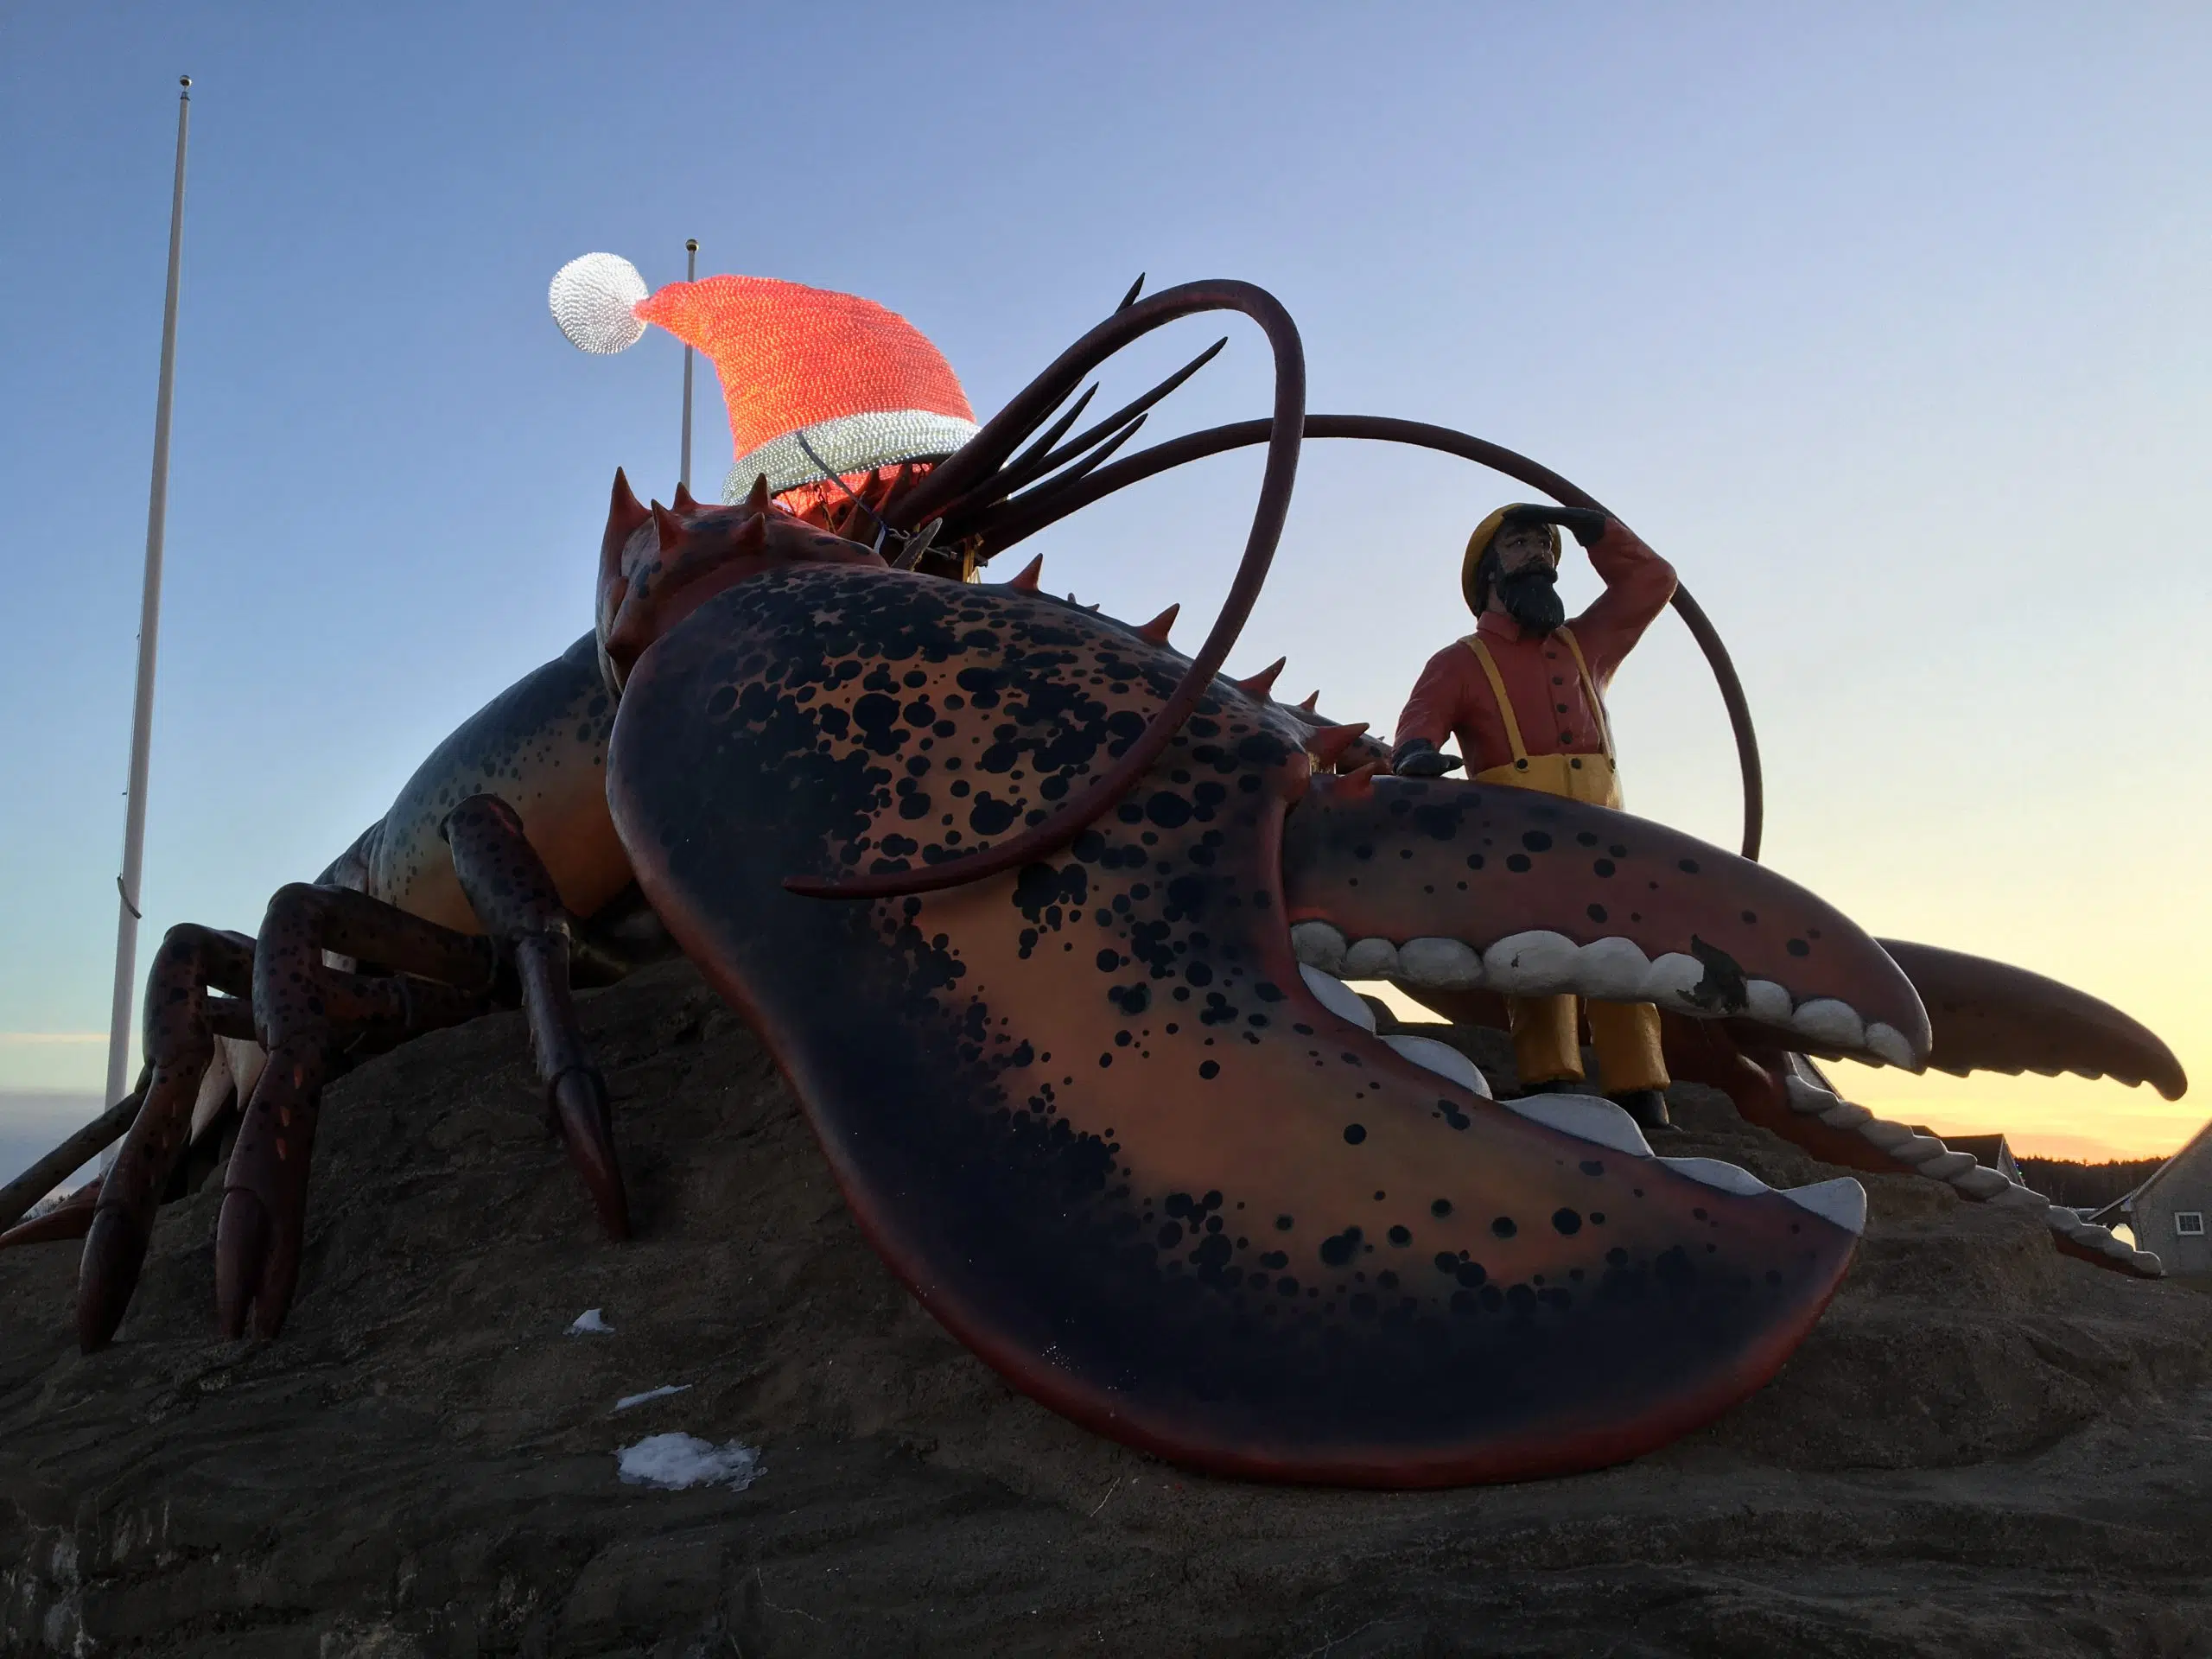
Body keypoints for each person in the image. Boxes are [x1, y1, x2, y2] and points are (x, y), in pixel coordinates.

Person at [1389, 504, 1679, 1129]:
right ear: (1489, 569)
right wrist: (1415, 757)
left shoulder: (1587, 644)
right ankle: (1551, 1079)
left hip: (1605, 826)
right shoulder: (1459, 661)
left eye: (1546, 544)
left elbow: (1653, 581)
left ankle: (1641, 1090)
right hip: (1517, 831)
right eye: (1522, 544)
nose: (1542, 556)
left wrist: (1588, 524)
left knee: (1621, 953)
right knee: (1537, 955)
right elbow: (1419, 724)